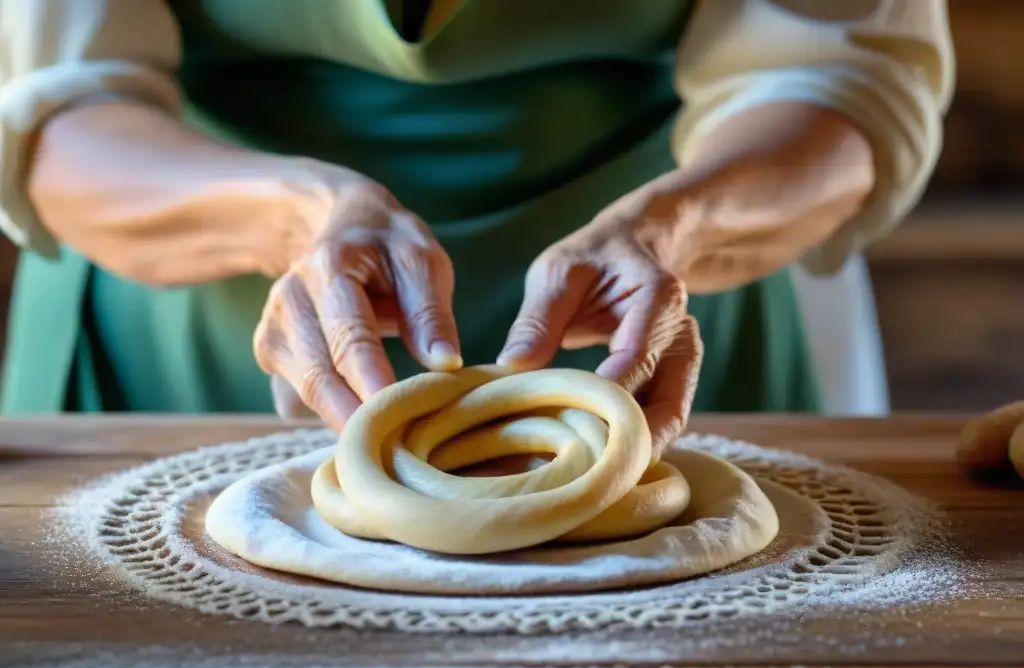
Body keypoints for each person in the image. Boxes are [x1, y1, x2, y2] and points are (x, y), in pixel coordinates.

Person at [0, 0, 953, 456]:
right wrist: (301, 221)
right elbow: (55, 114)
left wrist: (672, 230)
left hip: (663, 310)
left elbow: (839, 85)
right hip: (178, 343)